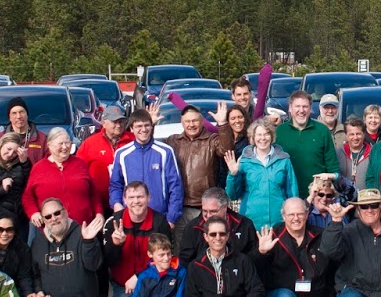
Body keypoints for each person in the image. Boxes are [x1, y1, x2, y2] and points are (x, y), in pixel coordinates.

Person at [26, 199, 108, 297]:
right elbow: (35, 273)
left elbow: (95, 265)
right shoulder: (38, 242)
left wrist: (89, 242)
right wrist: (39, 290)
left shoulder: (83, 232)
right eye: (48, 216)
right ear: (43, 220)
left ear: (65, 212)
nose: (54, 218)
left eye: (57, 213)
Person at [257, 197, 334, 297]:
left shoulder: (320, 236)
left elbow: (334, 271)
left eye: (300, 214)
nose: (296, 218)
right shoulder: (272, 236)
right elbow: (256, 271)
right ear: (283, 216)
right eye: (291, 214)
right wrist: (262, 253)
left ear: (307, 215)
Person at [106, 181, 173, 297]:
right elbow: (107, 262)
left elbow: (166, 260)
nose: (136, 201)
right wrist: (116, 244)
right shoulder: (114, 222)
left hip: (153, 283)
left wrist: (139, 276)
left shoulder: (159, 222)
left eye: (140, 197)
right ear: (124, 200)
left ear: (149, 197)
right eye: (131, 197)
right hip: (124, 287)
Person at [108, 110, 183, 226]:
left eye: (147, 125)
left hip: (159, 218)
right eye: (139, 126)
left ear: (152, 127)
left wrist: (171, 218)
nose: (143, 129)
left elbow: (176, 187)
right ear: (131, 129)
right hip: (131, 218)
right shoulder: (122, 154)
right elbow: (115, 185)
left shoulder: (165, 152)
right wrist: (116, 204)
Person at [225, 118, 298, 230]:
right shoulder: (244, 162)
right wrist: (233, 174)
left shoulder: (284, 160)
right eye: (259, 135)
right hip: (251, 221)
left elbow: (292, 192)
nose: (263, 138)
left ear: (272, 136)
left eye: (266, 134)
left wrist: (293, 214)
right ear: (253, 138)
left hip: (278, 220)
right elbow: (233, 195)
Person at [24, 128, 101, 233]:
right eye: (60, 144)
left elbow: (93, 193)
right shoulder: (39, 168)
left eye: (67, 143)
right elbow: (27, 197)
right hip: (51, 230)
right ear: (49, 145)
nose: (65, 147)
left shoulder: (80, 164)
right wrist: (33, 212)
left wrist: (99, 213)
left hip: (82, 228)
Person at [167, 104, 222, 243]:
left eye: (195, 121)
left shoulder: (212, 140)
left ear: (202, 121)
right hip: (179, 207)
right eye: (187, 121)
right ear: (182, 123)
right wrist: (152, 124)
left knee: (206, 245)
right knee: (182, 249)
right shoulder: (173, 141)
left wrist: (223, 124)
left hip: (203, 207)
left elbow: (225, 149)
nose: (191, 124)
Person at [274, 90, 340, 199]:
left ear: (310, 109)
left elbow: (333, 167)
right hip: (288, 196)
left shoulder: (322, 130)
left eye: (305, 107)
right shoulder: (280, 132)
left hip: (318, 196)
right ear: (290, 108)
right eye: (297, 106)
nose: (301, 110)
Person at [77, 105, 132, 195]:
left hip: (129, 199)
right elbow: (79, 171)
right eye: (114, 122)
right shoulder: (90, 143)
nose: (118, 125)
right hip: (100, 199)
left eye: (121, 121)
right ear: (103, 122)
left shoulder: (132, 140)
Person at [0, 96, 47, 164]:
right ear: (10, 117)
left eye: (21, 112)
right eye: (14, 113)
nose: (18, 116)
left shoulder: (42, 139)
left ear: (27, 115)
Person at [335, 116, 372, 199]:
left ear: (364, 134)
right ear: (346, 135)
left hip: (365, 201)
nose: (355, 138)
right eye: (351, 134)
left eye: (358, 134)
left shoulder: (372, 153)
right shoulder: (338, 153)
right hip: (343, 201)